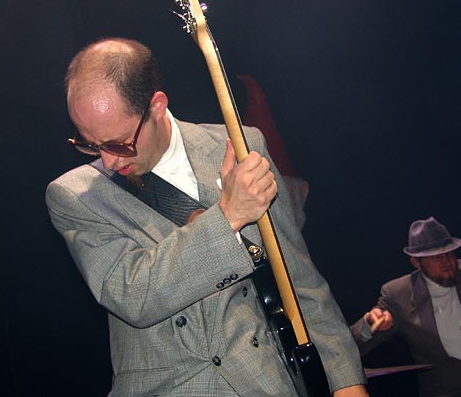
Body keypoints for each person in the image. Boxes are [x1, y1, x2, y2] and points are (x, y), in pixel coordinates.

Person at [46, 38, 368, 396]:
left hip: (266, 384)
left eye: (119, 143)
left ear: (157, 107)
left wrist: (347, 382)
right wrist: (228, 215)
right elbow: (132, 293)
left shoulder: (243, 147)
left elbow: (299, 280)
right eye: (89, 143)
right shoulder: (77, 194)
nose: (108, 161)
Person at [351, 216, 461, 397]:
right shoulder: (398, 294)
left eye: (449, 253)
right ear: (416, 262)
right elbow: (353, 346)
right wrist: (369, 325)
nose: (447, 261)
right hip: (441, 392)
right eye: (436, 257)